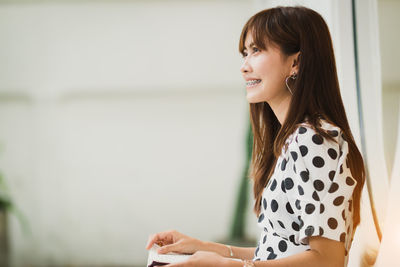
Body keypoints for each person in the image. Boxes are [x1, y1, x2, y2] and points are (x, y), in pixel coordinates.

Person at [145, 5, 365, 267]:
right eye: (244, 53)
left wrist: (229, 266)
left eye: (256, 50)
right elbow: (279, 251)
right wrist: (203, 248)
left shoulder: (312, 141)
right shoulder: (294, 139)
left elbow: (327, 260)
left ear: (295, 62)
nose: (244, 66)